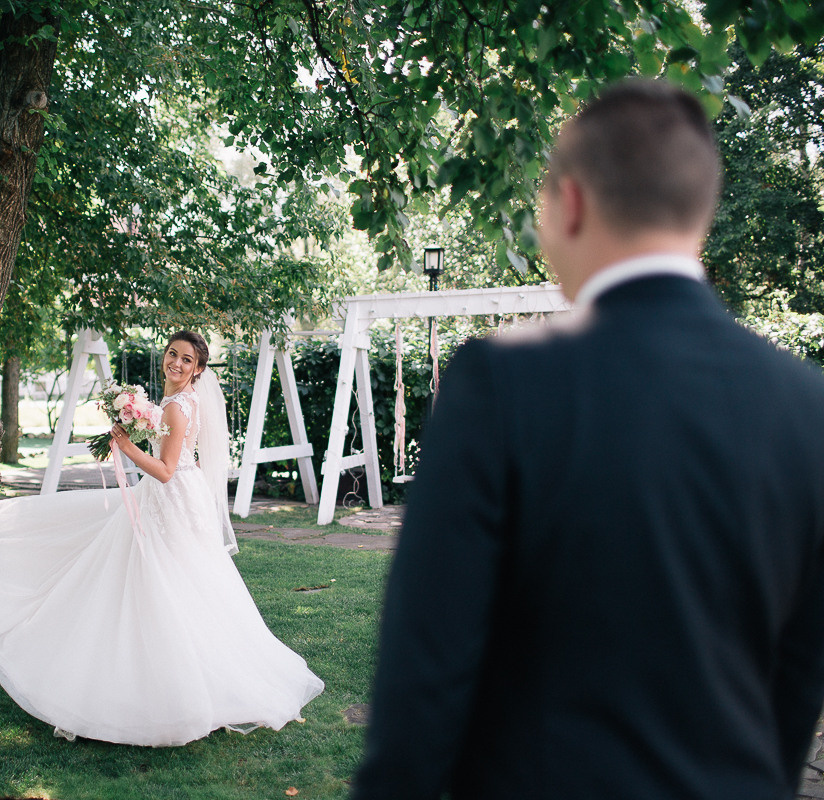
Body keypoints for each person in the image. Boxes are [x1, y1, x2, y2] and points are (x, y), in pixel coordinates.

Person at [352, 79, 824, 799]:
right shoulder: (809, 405)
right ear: (700, 213)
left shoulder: (499, 386)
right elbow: (799, 677)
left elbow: (425, 681)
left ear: (569, 203)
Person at [0, 330, 324, 747]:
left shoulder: (176, 407)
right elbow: (181, 460)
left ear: (199, 369)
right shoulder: (179, 403)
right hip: (172, 499)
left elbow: (167, 469)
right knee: (179, 584)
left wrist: (126, 446)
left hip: (169, 499)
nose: (177, 362)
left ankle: (168, 691)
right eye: (173, 354)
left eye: (188, 359)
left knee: (162, 583)